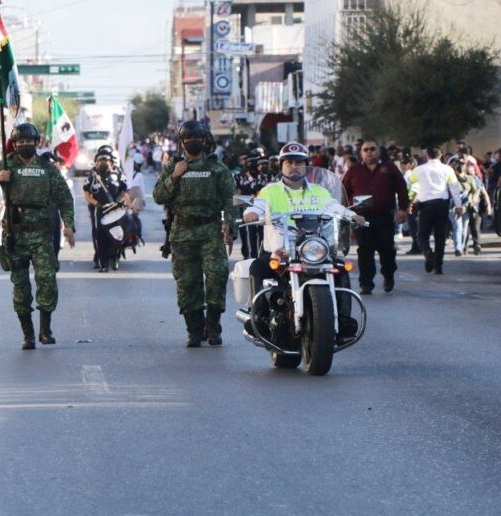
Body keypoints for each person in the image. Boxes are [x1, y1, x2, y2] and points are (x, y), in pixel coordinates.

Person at [242, 144, 366, 333]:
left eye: (299, 162)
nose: (294, 166)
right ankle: (259, 317)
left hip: (314, 249)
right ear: (281, 166)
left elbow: (334, 206)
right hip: (281, 252)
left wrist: (352, 215)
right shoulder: (270, 191)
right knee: (257, 267)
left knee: (341, 269)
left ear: (306, 165)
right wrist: (250, 213)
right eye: (289, 162)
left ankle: (343, 319)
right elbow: (257, 205)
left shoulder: (319, 191)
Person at [0, 124, 75, 350]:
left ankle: (45, 330)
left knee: (47, 280)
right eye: (20, 142)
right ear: (15, 144)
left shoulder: (47, 168)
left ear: (36, 143)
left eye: (29, 142)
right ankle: (27, 334)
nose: (24, 145)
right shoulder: (7, 164)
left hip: (42, 234)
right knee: (20, 286)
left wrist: (68, 225)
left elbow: (64, 198)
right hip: (16, 235)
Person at [153, 121, 235, 347]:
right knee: (188, 283)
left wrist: (230, 227)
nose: (192, 142)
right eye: (187, 139)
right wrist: (174, 177)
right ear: (181, 143)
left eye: (196, 138)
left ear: (204, 141)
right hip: (182, 233)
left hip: (210, 231)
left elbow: (230, 199)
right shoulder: (174, 166)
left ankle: (213, 326)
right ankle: (194, 330)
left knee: (217, 277)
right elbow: (159, 196)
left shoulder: (217, 168)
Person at [341, 138, 409, 294]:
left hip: (384, 217)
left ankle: (388, 275)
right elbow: (343, 192)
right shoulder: (354, 170)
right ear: (361, 153)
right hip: (361, 218)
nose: (369, 152)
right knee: (365, 251)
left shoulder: (389, 168)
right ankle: (366, 283)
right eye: (365, 150)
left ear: (378, 151)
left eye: (372, 149)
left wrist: (403, 209)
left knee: (387, 250)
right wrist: (344, 212)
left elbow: (402, 189)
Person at [413, 147, 463, 275]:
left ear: (427, 156)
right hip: (442, 205)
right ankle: (438, 266)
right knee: (440, 236)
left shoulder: (419, 170)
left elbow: (409, 183)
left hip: (425, 206)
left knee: (422, 235)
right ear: (440, 156)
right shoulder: (448, 169)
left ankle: (428, 253)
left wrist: (410, 201)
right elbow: (454, 188)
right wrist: (458, 206)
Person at [83, 151, 129, 273]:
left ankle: (115, 257)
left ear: (111, 162)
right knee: (101, 237)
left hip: (115, 210)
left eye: (106, 160)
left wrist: (120, 202)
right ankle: (103, 264)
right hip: (100, 211)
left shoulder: (118, 175)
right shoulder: (92, 178)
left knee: (116, 235)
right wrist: (97, 204)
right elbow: (87, 195)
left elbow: (124, 192)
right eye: (99, 160)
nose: (102, 162)